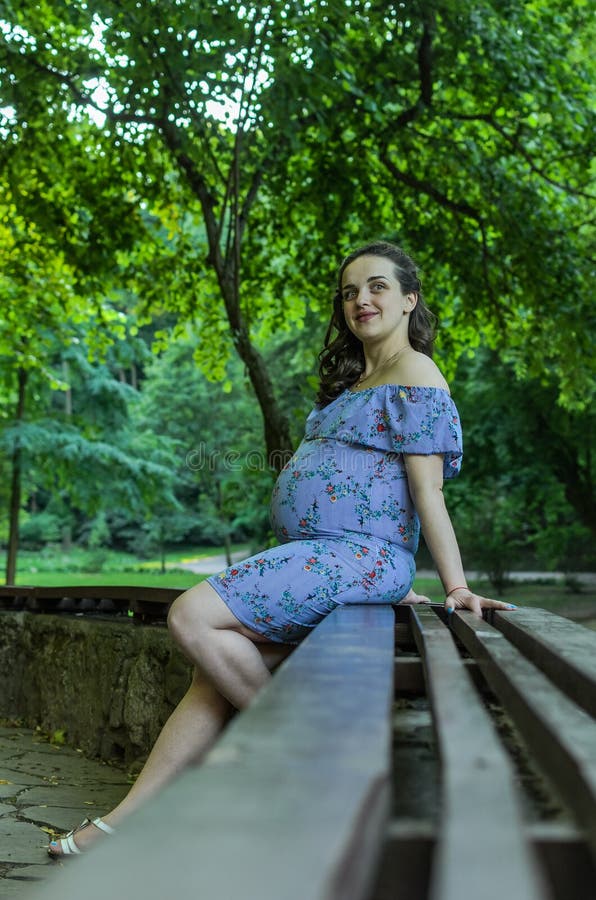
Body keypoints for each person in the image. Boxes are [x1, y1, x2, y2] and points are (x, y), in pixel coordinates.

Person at [48, 240, 516, 857]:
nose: (361, 300)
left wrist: (454, 587)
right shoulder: (355, 380)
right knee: (211, 678)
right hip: (333, 559)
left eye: (377, 287)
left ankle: (303, 759)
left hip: (356, 557)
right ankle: (123, 822)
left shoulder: (416, 374)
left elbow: (427, 493)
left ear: (409, 300)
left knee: (190, 616)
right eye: (349, 292)